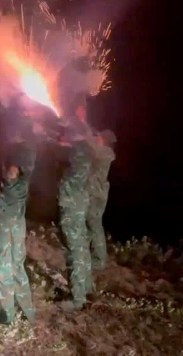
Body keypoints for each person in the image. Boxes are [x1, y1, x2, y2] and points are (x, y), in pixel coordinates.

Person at [0, 145, 37, 325]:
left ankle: (4, 319)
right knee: (17, 268)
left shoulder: (14, 184)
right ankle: (28, 313)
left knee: (1, 267)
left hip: (4, 229)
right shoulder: (23, 184)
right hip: (16, 229)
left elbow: (3, 199)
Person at [57, 96, 96, 311]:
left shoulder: (76, 150)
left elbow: (60, 145)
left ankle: (77, 298)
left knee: (74, 248)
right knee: (81, 245)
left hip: (71, 205)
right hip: (79, 203)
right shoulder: (88, 149)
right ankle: (87, 288)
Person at [87, 130, 117, 270]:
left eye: (99, 137)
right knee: (89, 223)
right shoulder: (102, 151)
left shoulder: (106, 153)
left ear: (104, 140)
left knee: (95, 226)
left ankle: (99, 259)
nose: (96, 138)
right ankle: (88, 254)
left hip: (97, 195)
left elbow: (90, 149)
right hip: (93, 193)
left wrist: (83, 136)